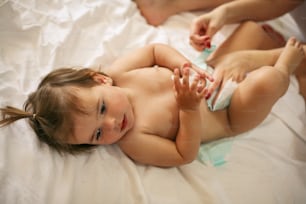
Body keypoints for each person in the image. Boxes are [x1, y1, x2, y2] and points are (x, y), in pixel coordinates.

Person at [0, 22, 305, 167]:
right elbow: (182, 155)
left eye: (103, 108)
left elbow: (155, 51)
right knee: (264, 83)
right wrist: (187, 109)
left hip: (208, 72)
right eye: (96, 134)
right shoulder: (134, 140)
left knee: (251, 29)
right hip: (225, 113)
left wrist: (185, 66)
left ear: (100, 79)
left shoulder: (120, 74)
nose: (111, 125)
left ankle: (260, 48)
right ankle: (284, 65)